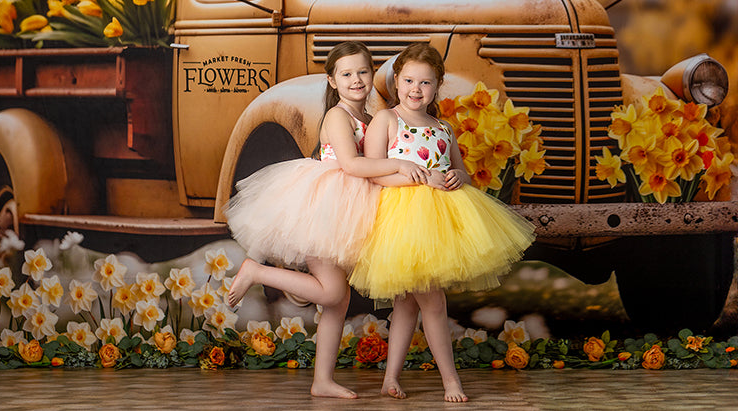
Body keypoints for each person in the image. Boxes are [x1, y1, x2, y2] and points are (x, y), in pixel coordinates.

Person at [224, 41, 428, 399]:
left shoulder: (369, 117)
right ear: (332, 81)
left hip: (355, 207)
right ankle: (256, 272)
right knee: (333, 292)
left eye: (363, 72)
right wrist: (400, 165)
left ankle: (322, 381)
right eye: (346, 74)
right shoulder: (337, 116)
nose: (356, 80)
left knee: (338, 301)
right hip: (328, 206)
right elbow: (351, 165)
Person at [349, 42, 536, 403]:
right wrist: (421, 179)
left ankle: (390, 378)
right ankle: (451, 381)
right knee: (433, 303)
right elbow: (374, 174)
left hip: (440, 220)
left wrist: (457, 179)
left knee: (407, 304)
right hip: (401, 220)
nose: (415, 90)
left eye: (425, 83)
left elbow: (462, 172)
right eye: (408, 81)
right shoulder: (388, 120)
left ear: (438, 86)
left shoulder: (443, 127)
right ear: (396, 81)